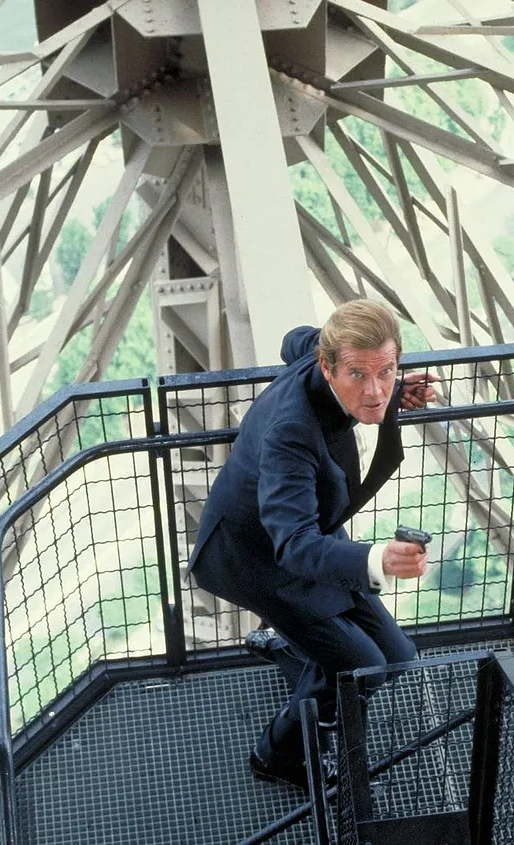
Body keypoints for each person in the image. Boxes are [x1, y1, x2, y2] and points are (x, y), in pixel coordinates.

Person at [186, 299, 438, 790]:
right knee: (360, 666)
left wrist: (390, 387)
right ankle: (275, 755)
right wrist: (376, 559)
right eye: (358, 376)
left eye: (387, 371)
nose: (375, 391)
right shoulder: (291, 434)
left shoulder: (318, 354)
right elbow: (295, 548)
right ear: (328, 369)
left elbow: (293, 339)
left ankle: (290, 646)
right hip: (255, 560)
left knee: (398, 657)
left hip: (305, 537)